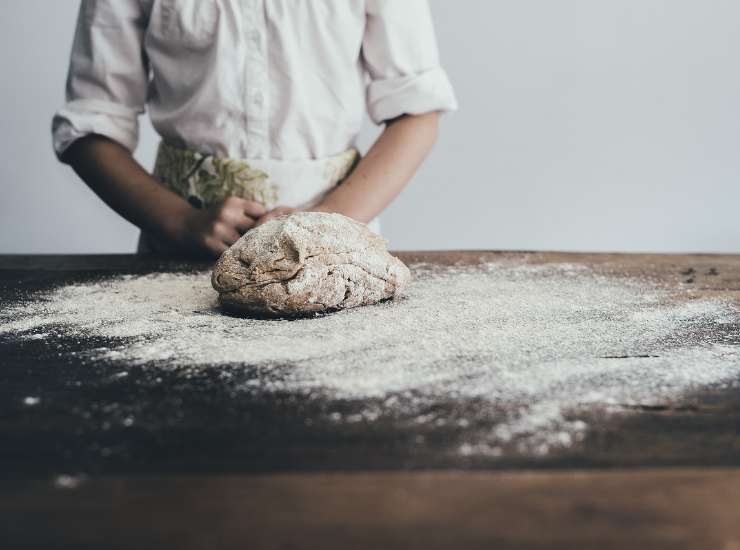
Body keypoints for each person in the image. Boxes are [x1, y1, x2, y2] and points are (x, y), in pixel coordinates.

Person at [53, 0, 458, 258]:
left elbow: (416, 113)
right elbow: (90, 126)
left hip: (336, 249)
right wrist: (180, 222)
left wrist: (323, 224)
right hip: (180, 253)